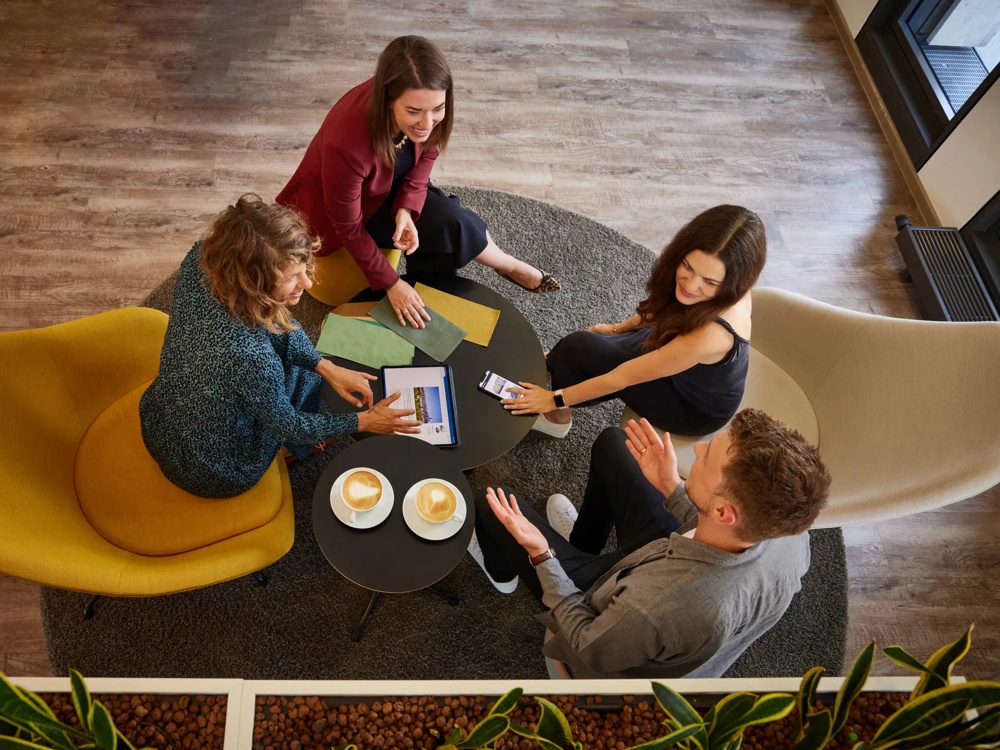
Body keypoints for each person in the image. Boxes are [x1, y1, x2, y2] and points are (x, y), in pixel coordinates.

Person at [468, 410, 831, 679]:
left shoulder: (656, 608)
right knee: (613, 444)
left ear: (724, 510)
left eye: (707, 459)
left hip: (602, 627)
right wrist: (672, 486)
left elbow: (588, 645)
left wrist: (540, 554)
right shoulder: (791, 531)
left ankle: (502, 570)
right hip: (668, 562)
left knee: (490, 504)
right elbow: (724, 535)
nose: (700, 449)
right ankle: (582, 546)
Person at [140, 194, 419, 499]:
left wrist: (325, 365)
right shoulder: (251, 358)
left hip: (163, 416)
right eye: (290, 277)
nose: (307, 284)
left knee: (310, 368)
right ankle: (293, 452)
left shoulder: (202, 258)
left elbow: (272, 323)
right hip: (214, 467)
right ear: (252, 285)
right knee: (306, 382)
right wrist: (364, 421)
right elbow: (290, 425)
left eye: (303, 268)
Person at [277, 35, 559, 329]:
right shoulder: (346, 145)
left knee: (453, 221)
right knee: (439, 235)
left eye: (438, 109)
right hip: (344, 212)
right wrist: (392, 284)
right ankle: (426, 298)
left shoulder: (424, 109)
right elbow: (346, 225)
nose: (427, 123)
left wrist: (405, 210)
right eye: (414, 112)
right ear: (388, 100)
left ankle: (507, 265)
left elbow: (426, 157)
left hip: (388, 186)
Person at [504, 205, 765, 438]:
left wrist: (552, 399)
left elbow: (621, 378)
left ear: (732, 282)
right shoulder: (720, 285)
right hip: (683, 355)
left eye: (709, 282)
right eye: (687, 267)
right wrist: (618, 329)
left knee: (578, 350)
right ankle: (552, 365)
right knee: (582, 348)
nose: (690, 285)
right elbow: (666, 308)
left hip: (689, 406)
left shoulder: (711, 334)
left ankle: (556, 418)